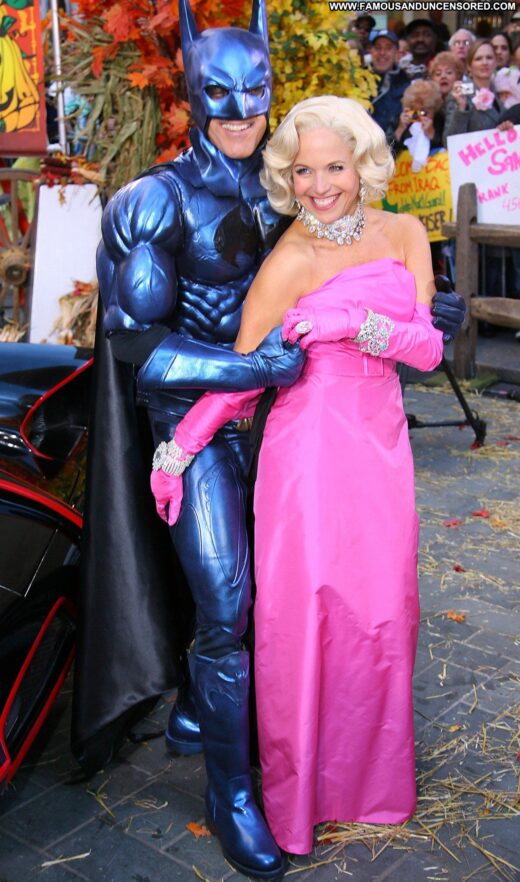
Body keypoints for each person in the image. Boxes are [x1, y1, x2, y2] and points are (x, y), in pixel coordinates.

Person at [74, 0, 465, 876]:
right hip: (203, 422)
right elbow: (135, 347)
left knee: (302, 605)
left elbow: (362, 283)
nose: (240, 109)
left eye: (256, 89)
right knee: (228, 607)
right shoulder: (155, 201)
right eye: (218, 92)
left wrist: (420, 311)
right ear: (190, 90)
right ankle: (233, 793)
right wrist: (243, 376)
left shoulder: (291, 179)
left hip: (296, 423)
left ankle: (232, 722)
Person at [151, 94, 445, 857]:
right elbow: (242, 377)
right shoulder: (288, 262)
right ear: (288, 176)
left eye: (335, 168)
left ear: (364, 166)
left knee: (382, 615)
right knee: (304, 623)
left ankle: (370, 784)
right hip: (306, 462)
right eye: (304, 172)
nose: (320, 187)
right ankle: (298, 797)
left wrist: (355, 325)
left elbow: (428, 349)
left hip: (379, 454)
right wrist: (180, 448)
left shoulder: (405, 233)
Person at [444, 39, 503, 141]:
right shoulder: (460, 94)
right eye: (478, 59)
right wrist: (462, 108)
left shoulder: (500, 91)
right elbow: (449, 141)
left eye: (489, 57)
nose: (485, 62)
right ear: (469, 66)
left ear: (496, 62)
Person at [368, 29, 410, 141]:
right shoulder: (358, 80)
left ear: (396, 52)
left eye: (388, 48)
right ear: (371, 51)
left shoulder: (406, 84)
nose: (382, 53)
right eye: (378, 48)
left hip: (393, 146)